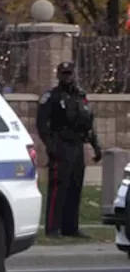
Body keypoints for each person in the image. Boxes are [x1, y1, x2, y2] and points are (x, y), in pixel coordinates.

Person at [37, 60, 102, 238]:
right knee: (59, 187)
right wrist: (50, 145)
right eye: (64, 74)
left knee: (75, 186)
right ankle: (52, 228)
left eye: (70, 73)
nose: (67, 77)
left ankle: (71, 227)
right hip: (61, 144)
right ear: (58, 75)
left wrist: (96, 146)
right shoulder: (52, 96)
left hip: (77, 145)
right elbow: (42, 124)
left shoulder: (80, 96)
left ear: (74, 74)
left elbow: (88, 123)